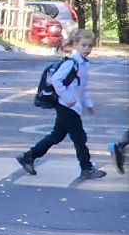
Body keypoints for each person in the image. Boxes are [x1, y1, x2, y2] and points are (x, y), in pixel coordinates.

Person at [18, 29, 108, 180]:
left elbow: (82, 87)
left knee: (57, 136)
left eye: (90, 46)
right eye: (84, 45)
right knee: (79, 138)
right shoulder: (72, 63)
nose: (87, 49)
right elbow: (56, 80)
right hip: (67, 106)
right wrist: (67, 98)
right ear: (75, 44)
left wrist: (88, 104)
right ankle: (87, 168)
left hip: (72, 106)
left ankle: (28, 156)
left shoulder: (83, 64)